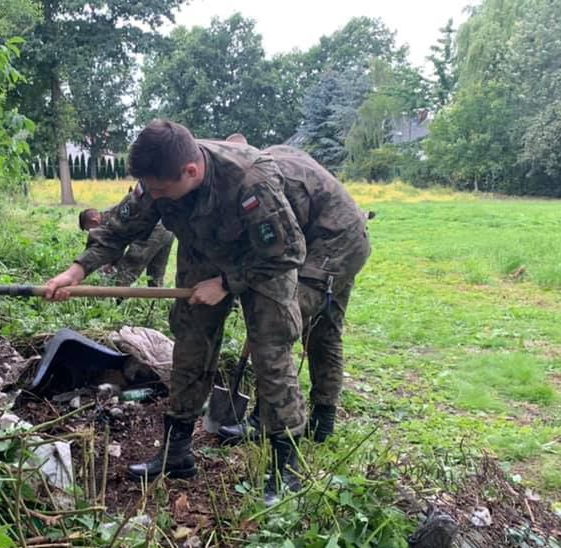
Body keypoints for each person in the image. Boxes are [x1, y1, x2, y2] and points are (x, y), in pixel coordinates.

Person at [45, 120, 309, 503]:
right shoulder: (159, 177)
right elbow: (120, 227)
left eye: (161, 191)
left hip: (263, 263)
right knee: (190, 347)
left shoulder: (252, 179)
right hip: (203, 252)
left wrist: (226, 284)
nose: (155, 196)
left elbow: (288, 251)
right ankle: (177, 452)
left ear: (191, 171)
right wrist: (76, 270)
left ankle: (287, 471)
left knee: (271, 356)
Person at [219, 134, 370, 443]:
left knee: (276, 324)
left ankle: (269, 418)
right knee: (323, 330)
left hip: (334, 243)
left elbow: (282, 244)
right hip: (340, 238)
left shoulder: (268, 178)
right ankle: (321, 420)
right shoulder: (270, 160)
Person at [78, 206, 175, 287]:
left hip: (152, 231)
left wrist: (110, 265)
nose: (92, 232)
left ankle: (113, 302)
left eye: (89, 229)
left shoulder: (109, 221)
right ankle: (156, 303)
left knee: (128, 270)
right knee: (156, 273)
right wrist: (112, 264)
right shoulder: (112, 212)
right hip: (167, 226)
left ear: (94, 221)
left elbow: (116, 245)